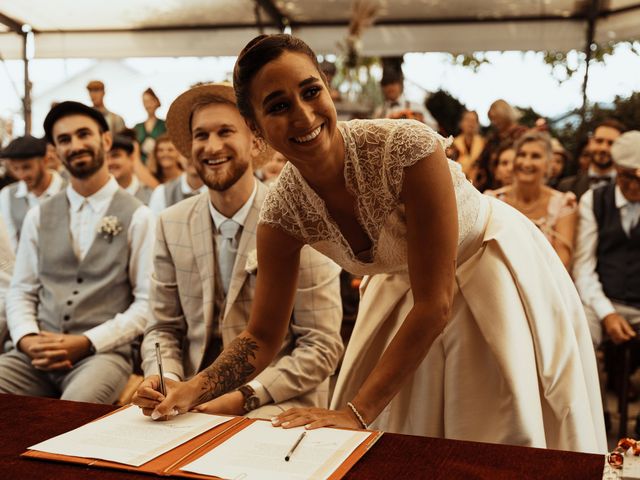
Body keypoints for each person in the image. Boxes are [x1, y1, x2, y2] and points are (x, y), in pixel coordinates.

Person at [146, 34, 605, 454]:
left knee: (493, 429)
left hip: (489, 267)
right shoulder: (282, 214)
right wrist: (194, 387)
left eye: (311, 92)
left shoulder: (406, 148)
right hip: (405, 287)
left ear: (327, 88)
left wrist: (356, 413)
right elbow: (261, 337)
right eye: (278, 105)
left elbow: (434, 303)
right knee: (404, 442)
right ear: (256, 126)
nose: (304, 115)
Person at [133, 83, 343, 419]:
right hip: (186, 398)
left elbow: (320, 345)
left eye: (225, 131)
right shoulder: (170, 223)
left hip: (276, 398)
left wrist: (243, 397)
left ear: (255, 140)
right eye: (201, 135)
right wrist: (165, 379)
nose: (212, 146)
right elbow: (163, 327)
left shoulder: (302, 217)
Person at [0, 101, 154, 403]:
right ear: (55, 151)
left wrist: (87, 341)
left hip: (101, 355)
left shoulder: (139, 216)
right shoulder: (38, 216)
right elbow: (21, 290)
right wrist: (27, 338)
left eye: (84, 134)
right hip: (34, 357)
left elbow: (147, 303)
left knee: (71, 417)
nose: (76, 145)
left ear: (105, 140)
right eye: (65, 139)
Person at [573, 130, 640, 349]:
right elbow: (584, 268)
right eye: (626, 177)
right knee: (578, 337)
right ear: (616, 170)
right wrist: (607, 313)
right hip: (601, 301)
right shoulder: (593, 200)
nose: (633, 187)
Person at [485, 131, 578, 269]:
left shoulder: (564, 205)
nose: (527, 163)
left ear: (548, 164)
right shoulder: (492, 201)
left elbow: (561, 263)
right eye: (521, 155)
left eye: (535, 156)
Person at [0, 135, 66, 251]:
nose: (21, 175)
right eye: (15, 169)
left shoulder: (68, 190)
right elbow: (11, 243)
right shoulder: (7, 195)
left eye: (27, 167)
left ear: (45, 160)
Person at [558, 119, 625, 200]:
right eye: (599, 141)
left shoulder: (628, 188)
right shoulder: (566, 186)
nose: (603, 148)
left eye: (611, 143)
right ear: (590, 142)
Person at [476, 99, 527, 191]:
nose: (494, 122)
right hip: (494, 188)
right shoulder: (493, 138)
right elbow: (482, 162)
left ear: (505, 114)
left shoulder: (522, 134)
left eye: (496, 117)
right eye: (491, 119)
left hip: (519, 186)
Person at [148, 135, 206, 215]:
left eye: (199, 153)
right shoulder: (162, 193)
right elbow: (155, 226)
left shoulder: (220, 191)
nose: (193, 159)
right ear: (179, 156)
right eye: (187, 154)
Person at [373, 70, 437, 130]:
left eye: (393, 83)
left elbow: (434, 127)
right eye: (386, 84)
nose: (390, 87)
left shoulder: (416, 106)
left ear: (400, 85)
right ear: (382, 88)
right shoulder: (379, 112)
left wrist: (419, 121)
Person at [106, 134, 154, 204]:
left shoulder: (151, 195)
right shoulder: (96, 197)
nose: (109, 163)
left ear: (131, 158)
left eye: (115, 156)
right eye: (105, 158)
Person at [134, 88, 167, 165]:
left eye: (150, 101)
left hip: (161, 164)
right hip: (142, 166)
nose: (148, 105)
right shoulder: (137, 127)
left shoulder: (165, 125)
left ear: (156, 101)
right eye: (145, 102)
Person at [452, 110, 485, 180]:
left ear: (478, 125)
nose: (471, 123)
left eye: (474, 121)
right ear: (461, 123)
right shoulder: (453, 144)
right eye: (468, 120)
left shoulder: (483, 143)